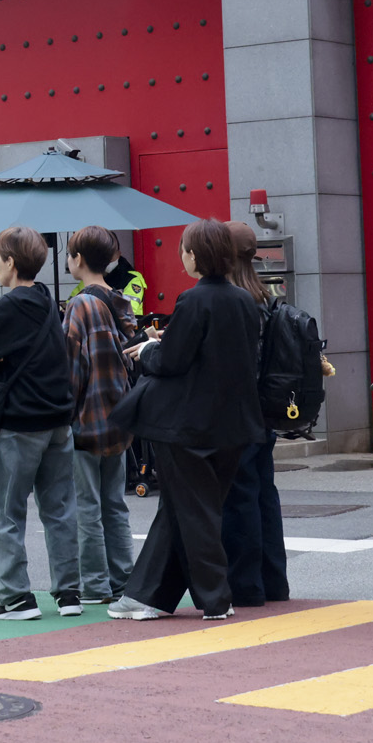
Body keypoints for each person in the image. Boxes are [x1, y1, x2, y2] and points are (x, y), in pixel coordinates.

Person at [110, 221, 262, 621]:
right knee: (184, 509)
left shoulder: (193, 301)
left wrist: (148, 351)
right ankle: (146, 596)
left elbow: (174, 361)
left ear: (194, 256)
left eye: (184, 250)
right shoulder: (245, 301)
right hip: (232, 424)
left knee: (193, 513)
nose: (182, 256)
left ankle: (215, 598)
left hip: (186, 427)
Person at [0, 228, 81, 620]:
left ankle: (16, 598)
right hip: (58, 420)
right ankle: (69, 594)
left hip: (20, 422)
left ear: (11, 262)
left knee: (3, 511)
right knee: (60, 509)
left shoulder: (6, 307)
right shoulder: (48, 301)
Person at [65, 227, 139, 604]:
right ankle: (122, 578)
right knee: (114, 503)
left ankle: (94, 584)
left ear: (77, 259)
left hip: (86, 419)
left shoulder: (80, 305)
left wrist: (65, 412)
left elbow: (72, 368)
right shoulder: (117, 300)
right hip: (119, 416)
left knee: (86, 506)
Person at [218, 221, 287, 608]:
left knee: (239, 497)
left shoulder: (235, 298)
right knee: (264, 495)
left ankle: (245, 585)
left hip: (239, 412)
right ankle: (273, 581)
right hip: (265, 411)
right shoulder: (263, 295)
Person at [100, 232, 149, 316]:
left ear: (119, 253)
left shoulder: (132, 279)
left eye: (110, 253)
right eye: (102, 254)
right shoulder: (89, 278)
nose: (107, 259)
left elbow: (129, 312)